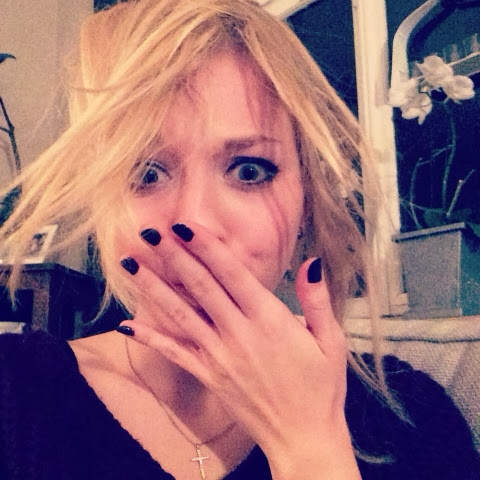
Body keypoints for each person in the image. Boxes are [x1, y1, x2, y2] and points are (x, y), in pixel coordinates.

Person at [0, 0, 478, 479]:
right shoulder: (16, 394)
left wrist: (311, 444)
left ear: (306, 202)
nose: (194, 220)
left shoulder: (411, 418)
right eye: (146, 173)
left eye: (250, 170)